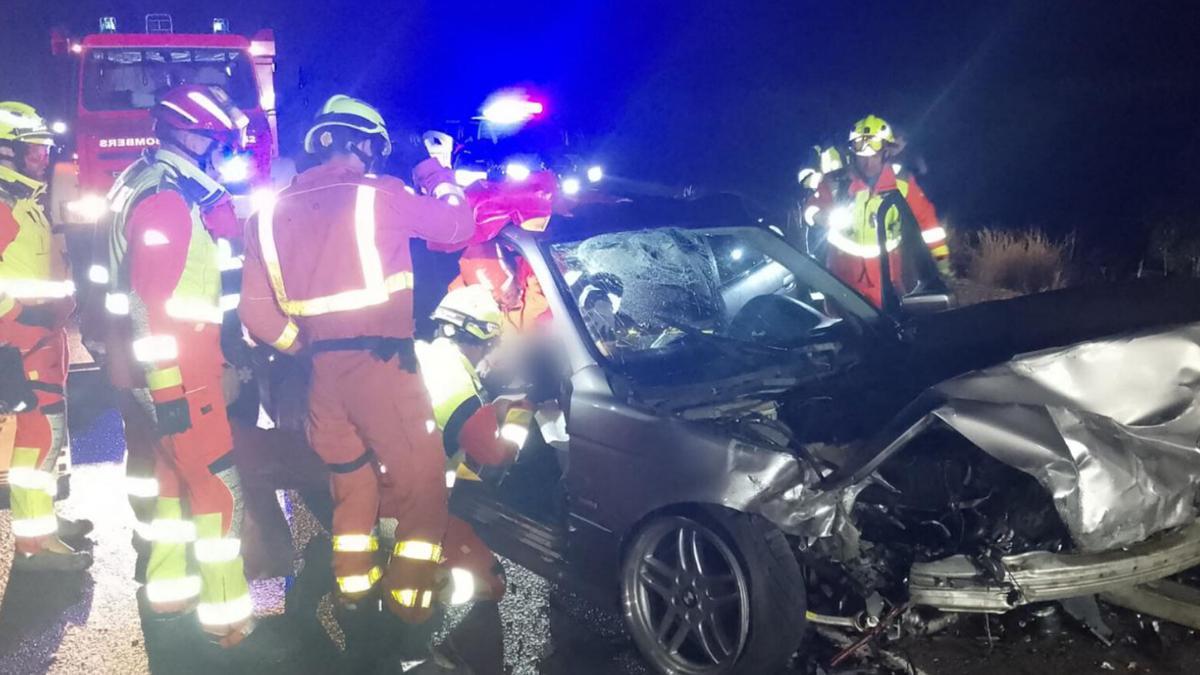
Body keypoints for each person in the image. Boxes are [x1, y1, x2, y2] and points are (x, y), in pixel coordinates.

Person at [238, 95, 475, 630]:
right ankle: (409, 609)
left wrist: (308, 347)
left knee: (352, 484)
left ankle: (354, 592)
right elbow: (459, 226)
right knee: (424, 487)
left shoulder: (266, 215)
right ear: (363, 144)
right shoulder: (382, 196)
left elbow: (255, 315)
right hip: (384, 369)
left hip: (321, 375)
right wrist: (433, 170)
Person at [102, 85, 255, 646]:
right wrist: (169, 391)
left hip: (157, 375)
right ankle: (228, 624)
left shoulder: (144, 183)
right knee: (218, 493)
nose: (226, 156)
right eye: (221, 144)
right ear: (194, 137)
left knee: (171, 486)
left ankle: (168, 597)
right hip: (179, 379)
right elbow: (150, 304)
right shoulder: (166, 200)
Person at [411, 285, 534, 674]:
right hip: (412, 504)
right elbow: (493, 456)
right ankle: (456, 654)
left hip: (380, 487)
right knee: (487, 581)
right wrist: (519, 414)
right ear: (481, 338)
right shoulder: (460, 390)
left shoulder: (421, 356)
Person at [0, 100, 93, 571]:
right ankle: (35, 548)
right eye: (33, 149)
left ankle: (45, 525)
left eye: (43, 147)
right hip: (23, 343)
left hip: (42, 340)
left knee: (48, 439)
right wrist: (18, 316)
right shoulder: (1, 205)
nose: (43, 156)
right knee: (37, 440)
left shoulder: (21, 202)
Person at [807, 115, 950, 307]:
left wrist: (942, 264)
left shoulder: (903, 184)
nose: (868, 164)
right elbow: (811, 207)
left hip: (886, 281)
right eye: (862, 157)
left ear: (885, 153)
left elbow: (929, 225)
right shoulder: (835, 182)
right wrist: (818, 215)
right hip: (840, 281)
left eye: (874, 156)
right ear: (853, 154)